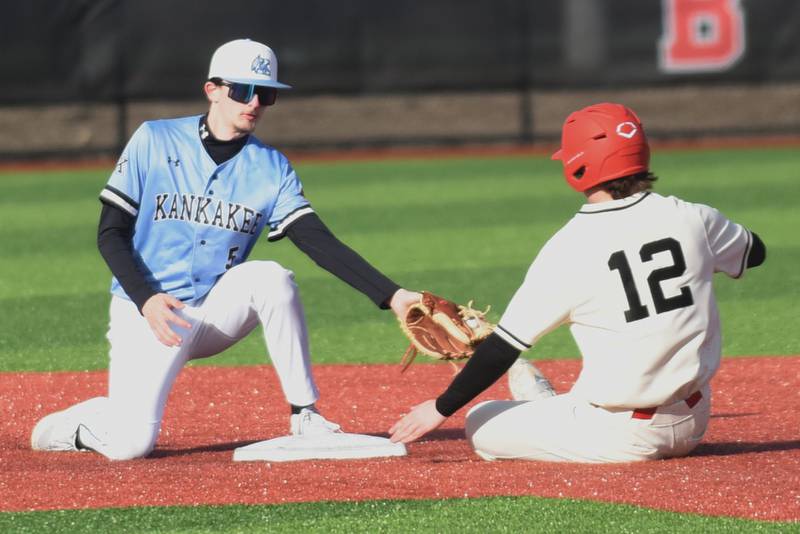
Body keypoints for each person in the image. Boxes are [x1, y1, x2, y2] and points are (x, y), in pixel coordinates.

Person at [31, 38, 420, 460]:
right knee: (130, 446)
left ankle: (305, 413)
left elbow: (316, 240)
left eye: (265, 94)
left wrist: (393, 295)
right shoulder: (155, 140)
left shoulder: (272, 168)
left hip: (214, 311)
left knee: (271, 277)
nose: (253, 102)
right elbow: (110, 234)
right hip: (148, 313)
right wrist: (145, 301)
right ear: (212, 90)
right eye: (242, 90)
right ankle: (77, 424)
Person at [389, 103, 766, 462]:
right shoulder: (692, 218)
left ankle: (541, 402)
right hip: (694, 418)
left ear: (577, 165)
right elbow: (755, 252)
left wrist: (438, 408)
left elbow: (503, 348)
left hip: (621, 434)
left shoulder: (570, 248)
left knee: (481, 422)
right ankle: (553, 406)